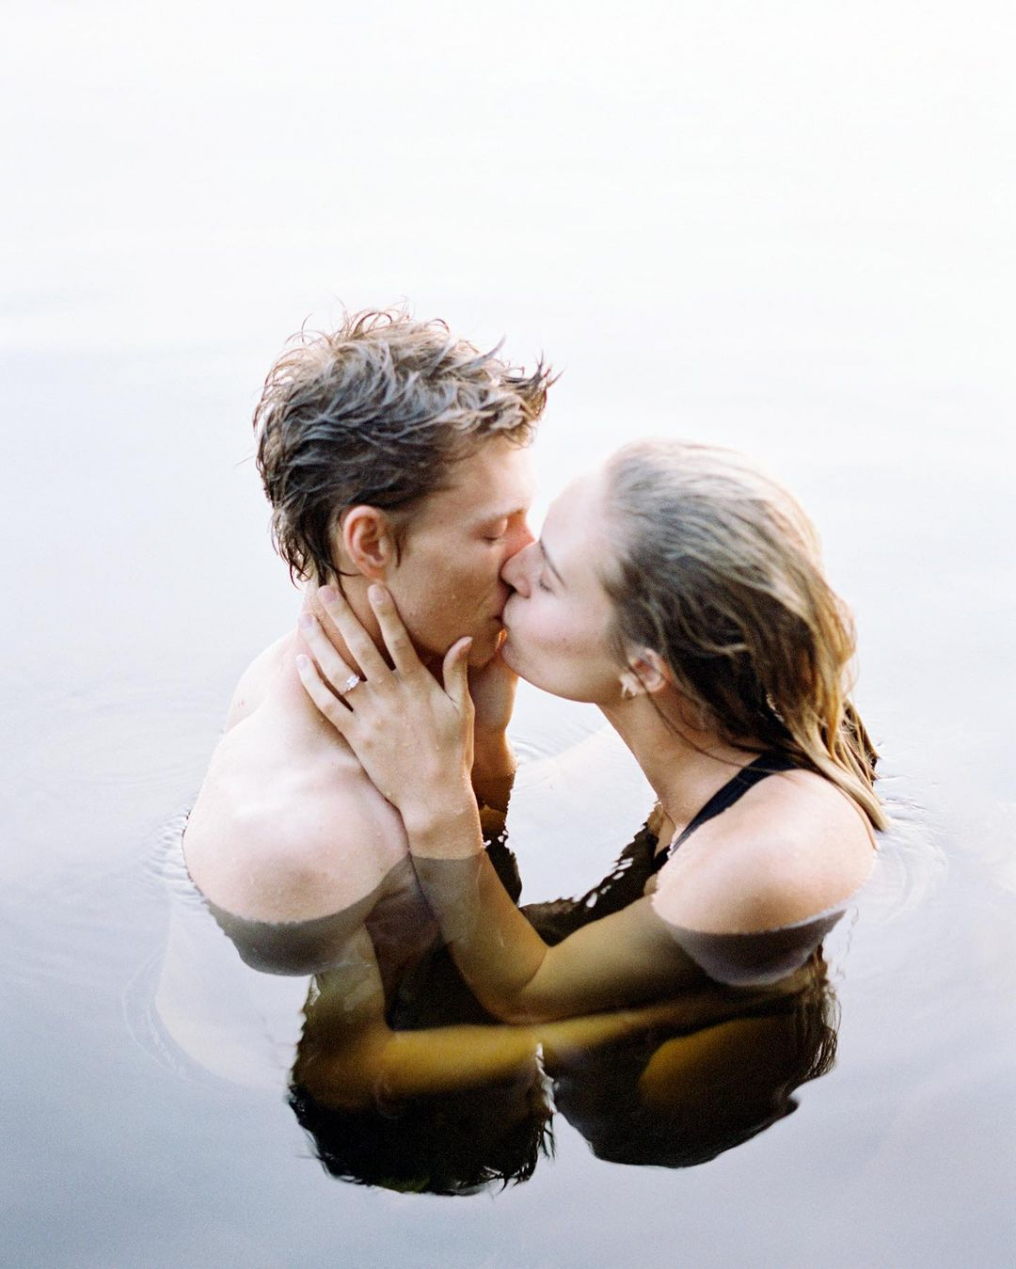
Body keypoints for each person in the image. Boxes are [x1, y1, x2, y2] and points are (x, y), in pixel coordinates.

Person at [297, 438, 886, 1019]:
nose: (515, 566)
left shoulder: (759, 863)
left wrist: (435, 801)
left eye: (549, 578)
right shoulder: (718, 752)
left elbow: (527, 992)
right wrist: (486, 733)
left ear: (644, 667)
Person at [183, 309, 549, 995]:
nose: (530, 558)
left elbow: (484, 846)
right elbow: (350, 1058)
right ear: (370, 543)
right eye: (495, 531)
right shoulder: (300, 840)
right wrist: (643, 1011)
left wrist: (488, 740)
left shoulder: (422, 690)